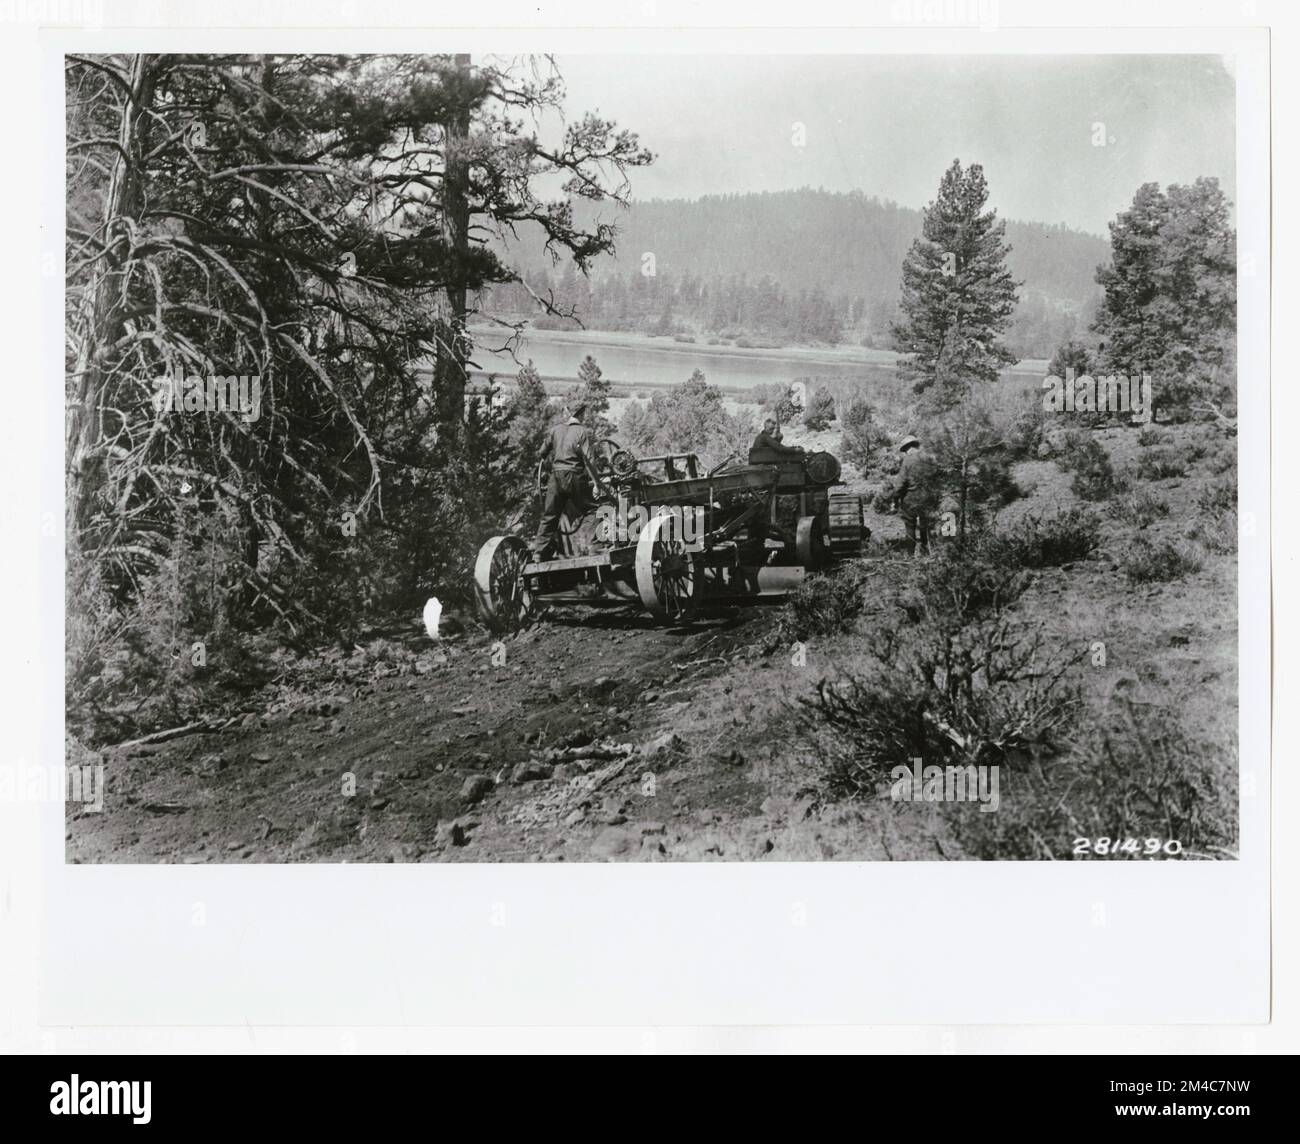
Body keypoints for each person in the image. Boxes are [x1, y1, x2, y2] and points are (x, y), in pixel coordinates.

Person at [531, 403, 594, 559]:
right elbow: (590, 462)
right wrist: (597, 484)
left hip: (556, 478)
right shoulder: (582, 432)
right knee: (593, 509)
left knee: (550, 515)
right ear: (580, 414)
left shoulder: (555, 430)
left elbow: (541, 453)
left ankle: (538, 552)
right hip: (575, 477)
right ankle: (597, 548)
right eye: (583, 413)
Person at [891, 434, 939, 557]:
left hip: (910, 499)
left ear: (908, 447)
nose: (905, 453)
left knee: (910, 526)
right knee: (925, 525)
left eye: (905, 451)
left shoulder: (908, 461)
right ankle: (926, 551)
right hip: (928, 497)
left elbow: (900, 484)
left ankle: (910, 555)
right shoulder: (930, 459)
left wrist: (895, 500)